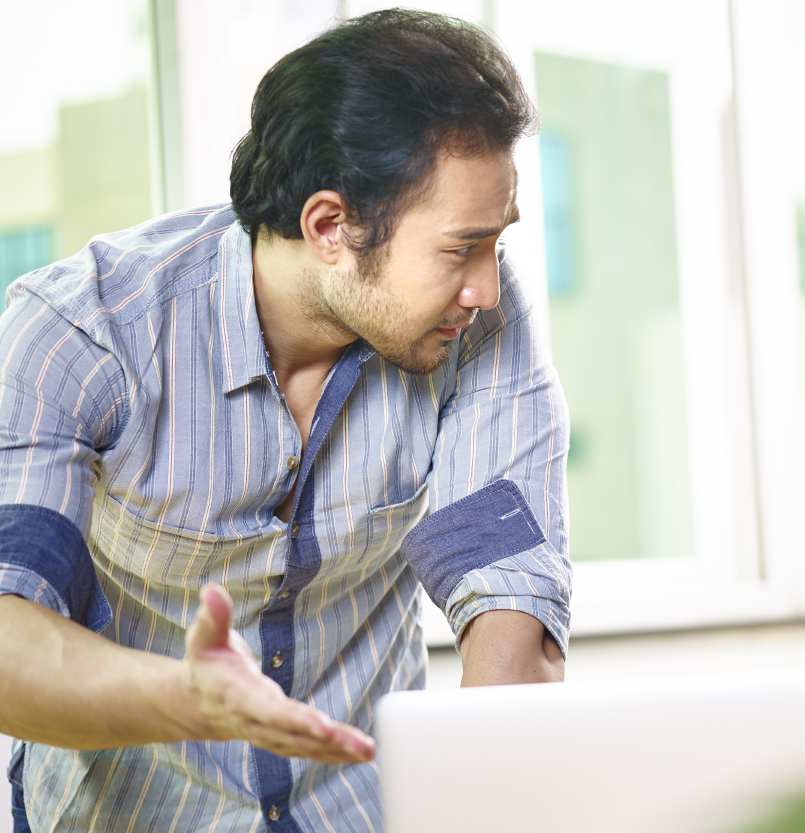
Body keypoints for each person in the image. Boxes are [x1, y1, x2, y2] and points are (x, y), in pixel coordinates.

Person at [0, 10, 571, 832]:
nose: (485, 285)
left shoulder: (479, 322)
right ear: (331, 227)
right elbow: (10, 637)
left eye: (496, 244)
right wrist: (188, 698)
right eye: (460, 249)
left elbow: (511, 605)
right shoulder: (86, 333)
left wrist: (477, 802)